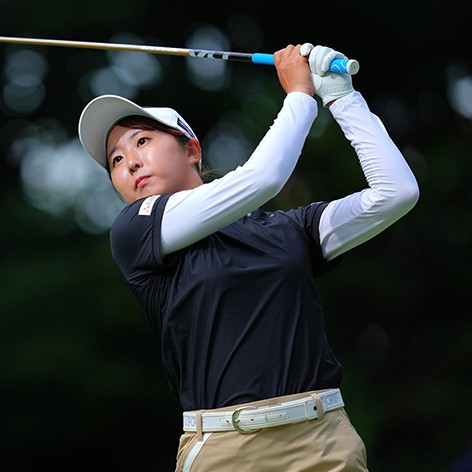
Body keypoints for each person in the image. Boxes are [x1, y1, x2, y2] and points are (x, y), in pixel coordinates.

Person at [78, 43, 419, 471]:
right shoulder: (136, 230)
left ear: (191, 150)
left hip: (323, 441)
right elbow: (264, 178)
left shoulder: (288, 230)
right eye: (115, 160)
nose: (129, 163)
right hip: (225, 449)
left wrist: (342, 97)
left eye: (142, 141)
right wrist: (300, 96)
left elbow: (395, 193)